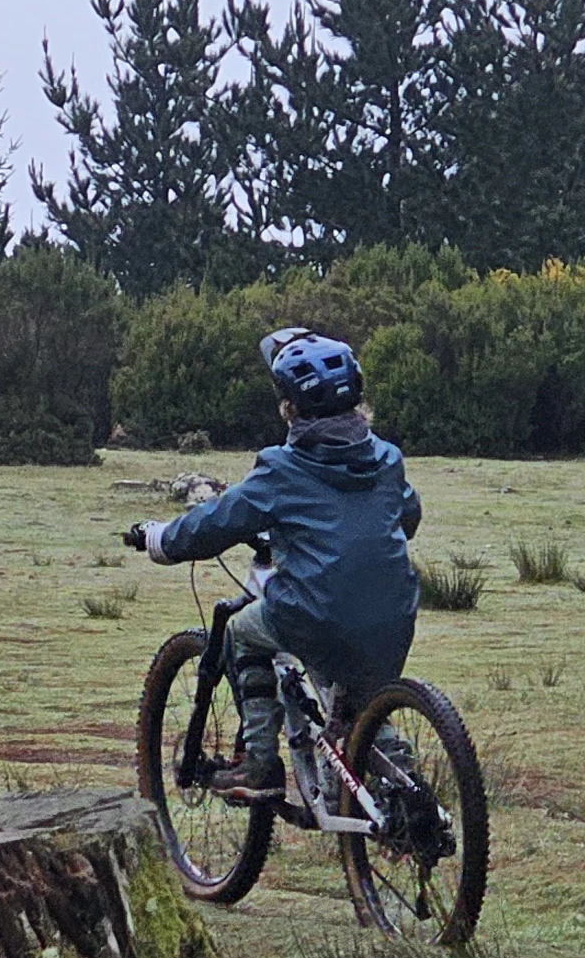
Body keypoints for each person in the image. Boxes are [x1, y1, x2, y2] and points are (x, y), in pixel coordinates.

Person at [125, 328, 423, 797]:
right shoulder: (387, 459)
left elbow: (217, 523)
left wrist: (161, 539)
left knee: (243, 633)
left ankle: (259, 766)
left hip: (318, 613)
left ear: (290, 408)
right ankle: (409, 795)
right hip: (394, 615)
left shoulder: (283, 469)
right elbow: (408, 516)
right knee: (361, 702)